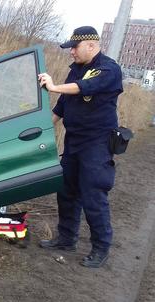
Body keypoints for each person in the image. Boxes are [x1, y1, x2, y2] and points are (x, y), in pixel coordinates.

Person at [37, 26, 123, 268]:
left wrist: (53, 87)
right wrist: (43, 129)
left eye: (74, 47)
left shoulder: (108, 69)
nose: (71, 52)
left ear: (91, 45)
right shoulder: (76, 70)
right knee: (66, 190)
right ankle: (66, 238)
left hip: (97, 143)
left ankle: (101, 248)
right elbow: (63, 104)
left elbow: (85, 88)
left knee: (93, 194)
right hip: (74, 141)